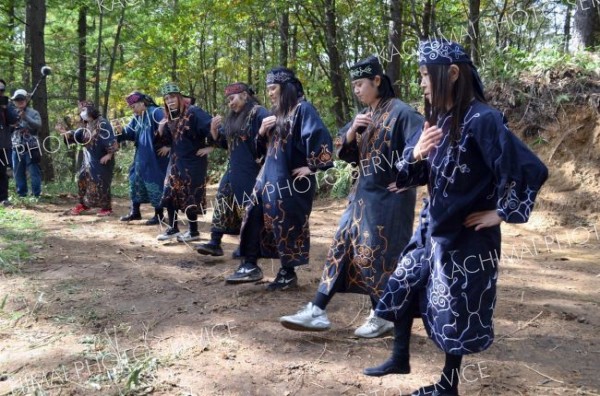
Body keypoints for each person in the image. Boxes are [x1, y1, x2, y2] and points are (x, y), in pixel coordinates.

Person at [365, 39, 548, 396]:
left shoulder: (484, 119)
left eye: (424, 75)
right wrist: (416, 154)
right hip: (431, 229)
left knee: (456, 308)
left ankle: (448, 386)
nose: (420, 83)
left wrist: (501, 212)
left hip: (467, 238)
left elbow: (529, 168)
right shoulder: (437, 121)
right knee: (404, 283)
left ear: (450, 73)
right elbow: (406, 177)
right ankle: (399, 356)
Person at [279, 56, 423, 337]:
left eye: (360, 84)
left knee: (375, 256)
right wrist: (352, 133)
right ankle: (318, 310)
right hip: (360, 198)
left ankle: (383, 315)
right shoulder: (365, 115)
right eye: (353, 85)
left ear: (377, 81)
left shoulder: (403, 113)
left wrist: (410, 179)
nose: (356, 90)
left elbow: (422, 145)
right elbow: (341, 149)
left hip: (388, 202)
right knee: (341, 249)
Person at [225, 67, 334, 291]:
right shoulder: (278, 114)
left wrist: (313, 167)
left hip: (291, 183)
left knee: (286, 224)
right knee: (253, 216)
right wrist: (262, 134)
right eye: (268, 89)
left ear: (287, 88)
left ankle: (287, 272)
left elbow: (319, 135)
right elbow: (262, 152)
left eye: (273, 88)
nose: (270, 93)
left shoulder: (303, 109)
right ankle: (250, 265)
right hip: (267, 179)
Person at [196, 83, 269, 257]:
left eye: (232, 99)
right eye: (228, 100)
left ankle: (248, 245)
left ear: (244, 95)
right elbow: (223, 143)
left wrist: (265, 165)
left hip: (253, 168)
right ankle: (215, 242)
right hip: (234, 167)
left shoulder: (259, 113)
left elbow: (271, 140)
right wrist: (214, 131)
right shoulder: (233, 118)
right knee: (223, 200)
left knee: (247, 207)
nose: (230, 103)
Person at [157, 82, 212, 243]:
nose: (170, 101)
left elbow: (213, 128)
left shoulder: (194, 112)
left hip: (193, 162)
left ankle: (193, 231)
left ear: (180, 97)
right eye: (167, 98)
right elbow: (168, 141)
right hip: (175, 161)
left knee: (190, 195)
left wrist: (212, 146)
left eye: (173, 96)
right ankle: (173, 228)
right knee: (169, 193)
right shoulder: (171, 116)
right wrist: (161, 130)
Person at [115, 91, 170, 225]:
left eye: (133, 107)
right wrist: (121, 131)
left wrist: (169, 145)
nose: (132, 110)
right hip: (141, 157)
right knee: (135, 181)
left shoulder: (156, 112)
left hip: (156, 157)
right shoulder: (137, 117)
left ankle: (159, 215)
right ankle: (135, 212)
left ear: (142, 103)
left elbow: (171, 128)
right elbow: (130, 133)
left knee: (155, 182)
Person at [57, 101, 117, 216]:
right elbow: (78, 135)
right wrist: (67, 133)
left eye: (83, 110)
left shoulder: (103, 123)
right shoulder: (86, 125)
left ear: (91, 110)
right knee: (82, 179)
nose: (81, 113)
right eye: (81, 111)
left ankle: (106, 208)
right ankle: (83, 204)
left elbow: (111, 139)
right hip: (88, 159)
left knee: (101, 182)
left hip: (101, 158)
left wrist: (109, 155)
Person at [10, 89, 42, 198]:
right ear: (14, 101)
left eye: (22, 99)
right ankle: (22, 195)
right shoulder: (11, 113)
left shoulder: (33, 112)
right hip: (16, 147)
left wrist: (26, 117)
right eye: (17, 99)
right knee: (18, 172)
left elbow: (38, 126)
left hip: (32, 147)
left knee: (34, 172)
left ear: (26, 99)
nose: (20, 101)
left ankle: (36, 195)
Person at [0, 79, 18, 206]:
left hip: (3, 145)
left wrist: (5, 109)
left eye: (2, 90)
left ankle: (3, 198)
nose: (0, 93)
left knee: (2, 172)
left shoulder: (7, 105)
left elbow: (13, 120)